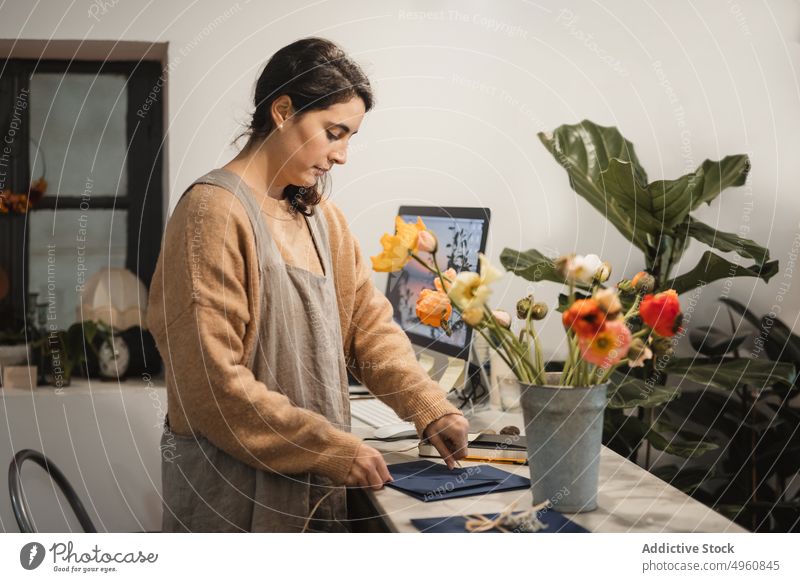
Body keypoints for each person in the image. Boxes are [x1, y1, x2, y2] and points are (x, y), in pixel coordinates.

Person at [147, 37, 469, 533]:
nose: (341, 156)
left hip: (309, 486)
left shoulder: (323, 219)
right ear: (282, 111)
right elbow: (212, 388)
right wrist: (331, 448)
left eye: (349, 138)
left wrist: (429, 408)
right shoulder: (211, 214)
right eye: (333, 133)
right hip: (234, 497)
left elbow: (370, 330)